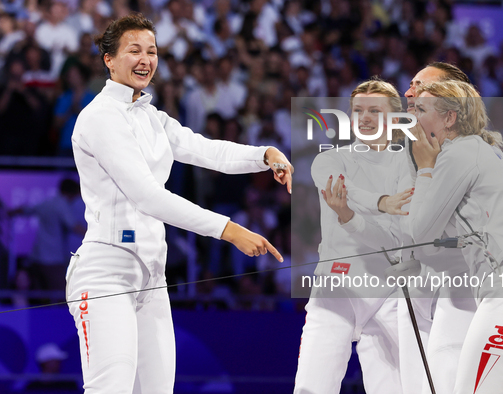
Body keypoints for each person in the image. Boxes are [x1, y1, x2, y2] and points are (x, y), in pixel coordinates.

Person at [66, 13, 292, 394]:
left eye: (151, 51)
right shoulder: (99, 118)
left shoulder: (153, 118)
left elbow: (207, 150)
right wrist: (230, 230)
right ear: (109, 59)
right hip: (106, 272)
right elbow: (148, 196)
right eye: (134, 50)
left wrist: (265, 154)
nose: (145, 59)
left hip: (152, 276)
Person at [408, 80, 503, 394]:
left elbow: (421, 231)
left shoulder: (461, 152)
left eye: (421, 110)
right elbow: (453, 235)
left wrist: (424, 168)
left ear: (449, 118)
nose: (414, 117)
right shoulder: (485, 151)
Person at [294, 78, 413, 394]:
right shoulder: (329, 159)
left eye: (375, 110)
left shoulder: (410, 166)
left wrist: (348, 217)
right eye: (358, 110)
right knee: (311, 388)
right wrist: (382, 203)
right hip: (337, 287)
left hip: (388, 291)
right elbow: (344, 187)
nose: (365, 117)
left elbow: (393, 240)